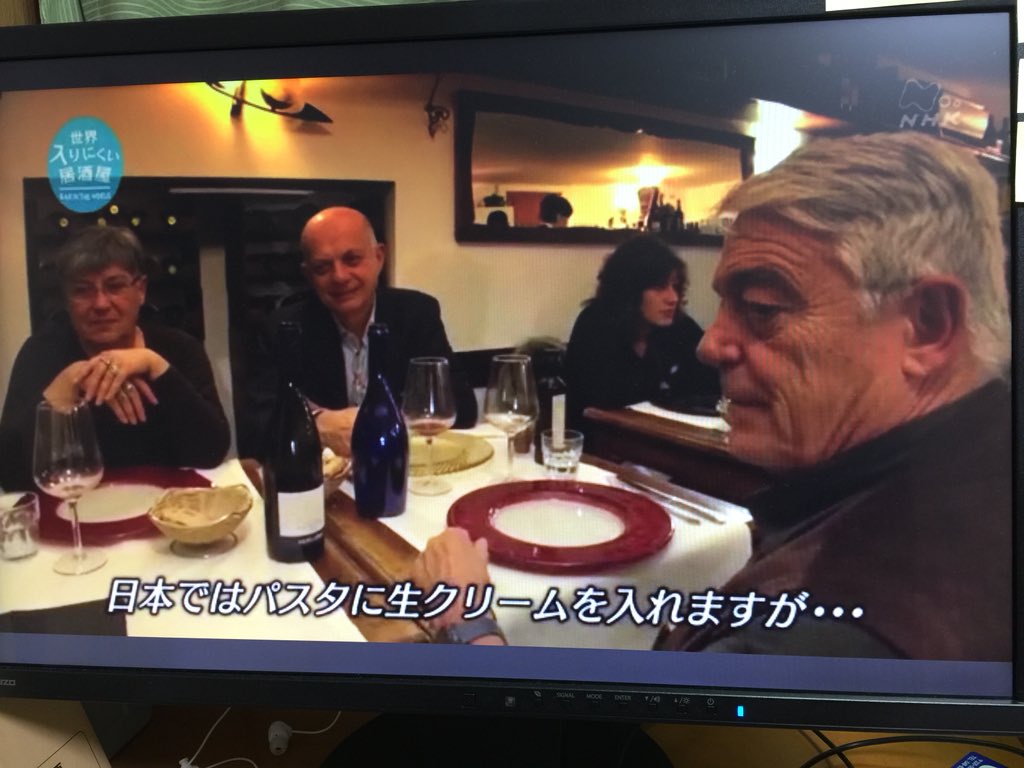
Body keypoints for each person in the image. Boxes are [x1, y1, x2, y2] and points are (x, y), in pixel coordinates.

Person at [410, 132, 1012, 661]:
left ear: (927, 325)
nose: (710, 343)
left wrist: (466, 621)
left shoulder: (826, 634)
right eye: (724, 304)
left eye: (762, 308)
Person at [0, 226, 230, 491]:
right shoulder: (40, 353)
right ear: (66, 299)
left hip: (169, 507)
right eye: (82, 290)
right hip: (76, 509)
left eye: (115, 286)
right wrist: (65, 387)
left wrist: (155, 365)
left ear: (141, 290)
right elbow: (10, 475)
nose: (100, 304)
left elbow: (212, 453)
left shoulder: (180, 348)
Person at [241, 206, 477, 458]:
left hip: (403, 467)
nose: (339, 276)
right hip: (324, 476)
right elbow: (256, 428)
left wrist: (383, 420)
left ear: (379, 257)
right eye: (322, 267)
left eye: (352, 259)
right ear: (308, 275)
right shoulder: (283, 328)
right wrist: (317, 423)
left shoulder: (416, 313)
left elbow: (462, 408)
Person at [563, 235, 720, 432]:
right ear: (631, 289)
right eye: (660, 287)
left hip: (668, 436)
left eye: (675, 286)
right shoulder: (595, 325)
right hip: (605, 440)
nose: (673, 298)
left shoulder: (679, 327)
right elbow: (597, 406)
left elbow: (711, 384)